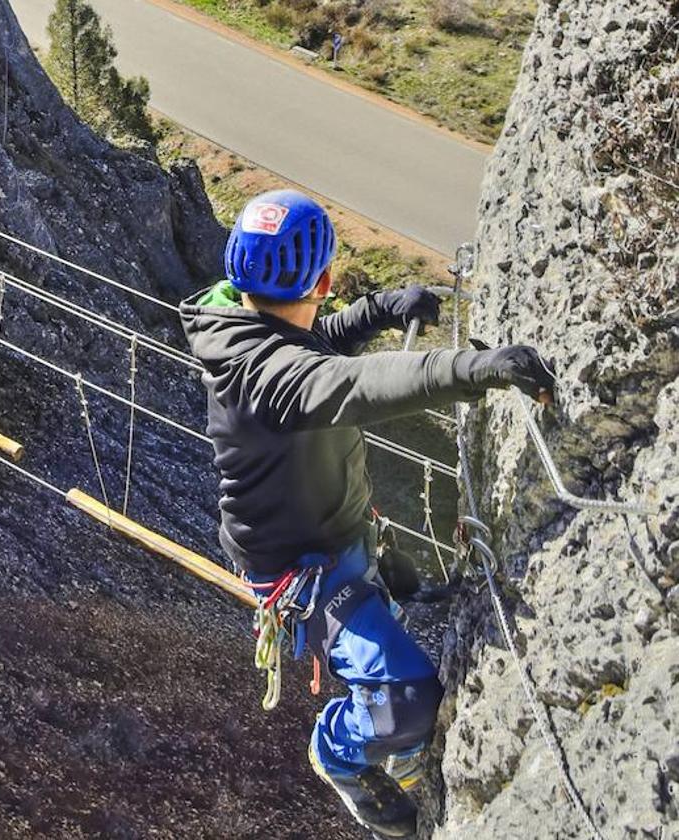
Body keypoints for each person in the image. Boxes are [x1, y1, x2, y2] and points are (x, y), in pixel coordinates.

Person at [179, 190, 555, 838]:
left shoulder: (231, 324)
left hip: (328, 538)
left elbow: (307, 341)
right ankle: (339, 751)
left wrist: (378, 310)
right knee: (408, 698)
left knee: (398, 601)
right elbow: (355, 384)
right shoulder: (273, 380)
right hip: (307, 576)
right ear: (323, 278)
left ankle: (376, 669)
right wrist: (472, 368)